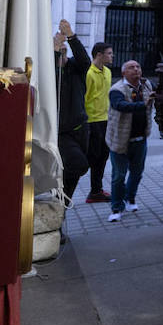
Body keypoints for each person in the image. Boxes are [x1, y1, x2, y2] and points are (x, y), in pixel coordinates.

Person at [105, 60, 154, 222]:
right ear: (124, 72)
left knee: (137, 173)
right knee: (118, 176)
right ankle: (116, 208)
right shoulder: (117, 90)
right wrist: (143, 104)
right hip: (120, 140)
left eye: (138, 67)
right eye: (131, 67)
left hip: (140, 139)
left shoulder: (147, 86)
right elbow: (120, 105)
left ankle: (130, 198)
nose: (136, 70)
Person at [54, 20, 91, 203]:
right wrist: (55, 47)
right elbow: (52, 67)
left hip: (81, 129)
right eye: (59, 53)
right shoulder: (51, 72)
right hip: (62, 133)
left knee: (72, 179)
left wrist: (71, 36)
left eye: (64, 52)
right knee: (78, 164)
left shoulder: (75, 68)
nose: (62, 55)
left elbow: (85, 60)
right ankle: (57, 192)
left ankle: (61, 210)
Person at [83, 41, 114, 203]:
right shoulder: (88, 73)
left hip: (106, 121)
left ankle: (96, 191)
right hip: (91, 122)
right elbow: (83, 98)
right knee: (91, 157)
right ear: (99, 55)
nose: (112, 56)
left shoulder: (108, 72)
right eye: (109, 53)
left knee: (102, 157)